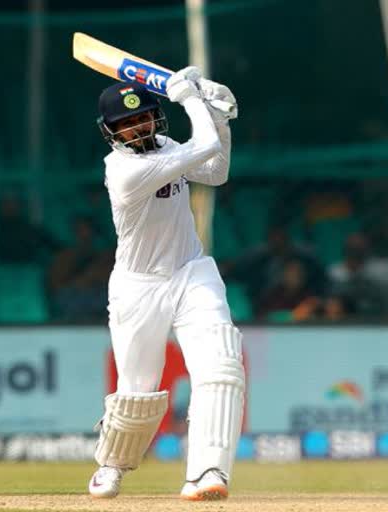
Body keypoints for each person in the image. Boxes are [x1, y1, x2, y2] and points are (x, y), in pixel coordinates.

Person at [87, 72, 244, 501]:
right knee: (138, 392)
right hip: (139, 286)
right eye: (127, 125)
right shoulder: (123, 170)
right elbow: (205, 146)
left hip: (191, 270)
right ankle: (113, 464)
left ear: (156, 118)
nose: (139, 128)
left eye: (146, 119)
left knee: (221, 366)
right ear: (111, 132)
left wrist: (219, 118)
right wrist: (193, 101)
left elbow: (214, 171)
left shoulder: (168, 147)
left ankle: (208, 471)